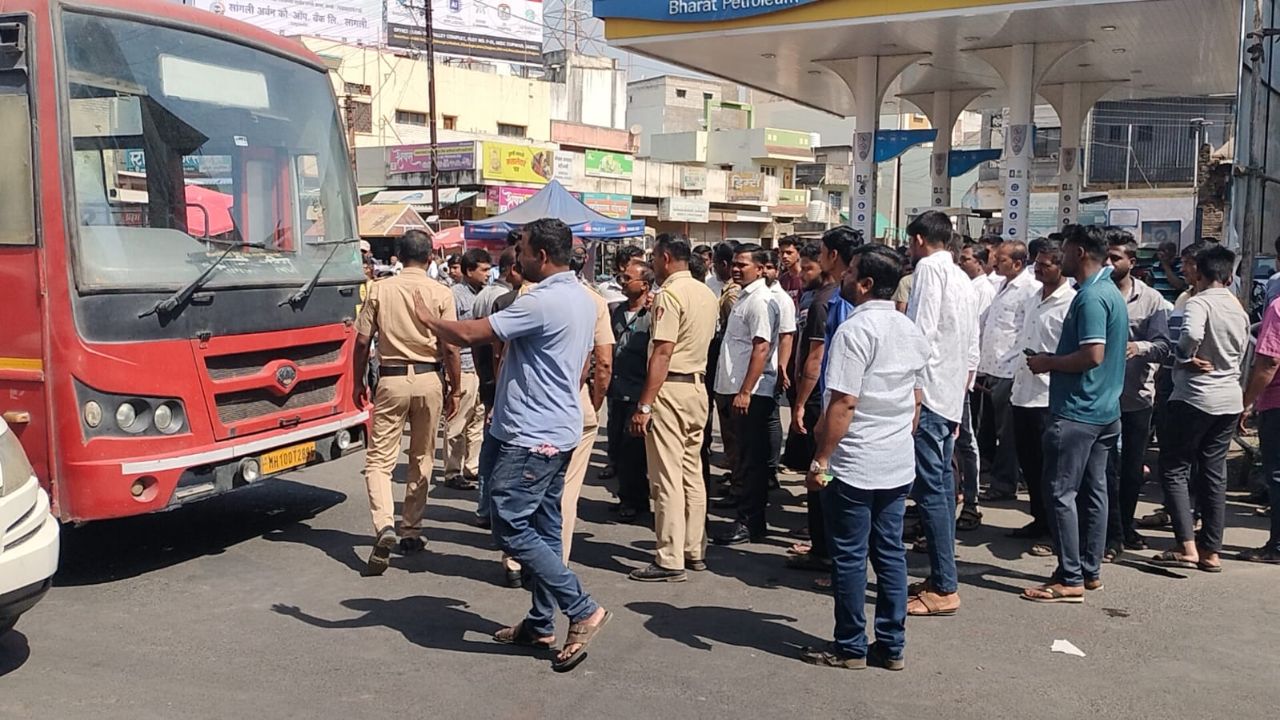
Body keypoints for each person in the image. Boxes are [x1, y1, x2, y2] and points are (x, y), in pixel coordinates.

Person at [411, 218, 611, 673]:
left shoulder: (542, 301)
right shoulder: (581, 297)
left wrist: (426, 318)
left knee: (509, 525)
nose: (514, 260)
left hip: (531, 434)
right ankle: (540, 623)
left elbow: (469, 334)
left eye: (520, 251)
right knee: (542, 528)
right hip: (550, 429)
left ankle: (581, 608)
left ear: (541, 255)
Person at [801, 244, 928, 671]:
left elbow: (844, 403)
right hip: (895, 459)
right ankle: (891, 645)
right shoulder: (908, 328)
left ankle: (851, 645)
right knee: (889, 552)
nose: (845, 277)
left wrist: (821, 460)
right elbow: (915, 399)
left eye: (851, 271)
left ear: (866, 283)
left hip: (855, 462)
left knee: (852, 556)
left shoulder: (855, 331)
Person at [1022, 225, 1127, 603]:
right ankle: (1088, 569)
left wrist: (1047, 362)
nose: (1059, 257)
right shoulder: (1106, 292)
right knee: (1093, 491)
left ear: (1079, 252)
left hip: (1079, 411)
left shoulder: (1092, 297)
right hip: (1103, 410)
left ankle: (1071, 577)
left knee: (1061, 492)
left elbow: (1092, 355)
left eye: (1064, 251)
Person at [352, 229, 461, 575]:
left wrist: (357, 381)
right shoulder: (441, 292)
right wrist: (454, 388)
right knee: (423, 456)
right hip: (430, 378)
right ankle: (411, 529)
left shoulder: (380, 289)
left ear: (399, 255)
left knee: (379, 461)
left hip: (392, 377)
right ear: (430, 257)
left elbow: (361, 341)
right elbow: (451, 347)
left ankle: (384, 523)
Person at [1150, 245, 1248, 573]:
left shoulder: (1199, 302)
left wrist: (1184, 357)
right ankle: (1211, 550)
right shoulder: (1239, 308)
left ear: (1201, 274)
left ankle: (1185, 544)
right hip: (1229, 398)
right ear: (1230, 276)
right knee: (1213, 473)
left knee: (1175, 467)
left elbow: (1190, 333)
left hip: (1195, 396)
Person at [902, 211, 979, 617]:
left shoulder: (930, 270)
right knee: (941, 487)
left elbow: (920, 331)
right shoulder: (963, 279)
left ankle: (945, 584)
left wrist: (912, 390)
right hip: (949, 394)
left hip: (930, 394)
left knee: (932, 489)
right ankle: (941, 577)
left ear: (917, 240)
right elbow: (971, 344)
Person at [628, 236, 718, 581]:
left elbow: (662, 352)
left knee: (666, 476)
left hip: (671, 388)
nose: (652, 265)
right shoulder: (705, 292)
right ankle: (694, 548)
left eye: (653, 258)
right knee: (691, 472)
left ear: (666, 258)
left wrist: (645, 405)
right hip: (697, 387)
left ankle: (669, 557)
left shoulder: (670, 294)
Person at [1103, 231, 1172, 556]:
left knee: (1130, 470)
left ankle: (1125, 527)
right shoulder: (1092, 293)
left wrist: (1138, 346)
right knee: (1103, 469)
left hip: (1135, 399)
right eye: (1106, 256)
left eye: (1116, 257)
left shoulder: (1152, 300)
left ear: (1132, 262)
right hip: (1100, 399)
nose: (1109, 263)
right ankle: (1109, 533)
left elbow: (1163, 346)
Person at [1007, 240, 1076, 555]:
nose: (1038, 268)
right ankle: (1038, 518)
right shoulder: (1034, 297)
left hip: (1049, 396)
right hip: (1024, 392)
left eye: (1045, 264)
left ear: (1061, 267)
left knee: (1051, 470)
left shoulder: (1071, 302)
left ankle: (1052, 531)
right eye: (1037, 262)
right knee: (1031, 465)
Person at [786, 236, 848, 574]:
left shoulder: (829, 301)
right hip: (823, 395)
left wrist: (800, 402)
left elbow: (816, 356)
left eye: (814, 261)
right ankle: (820, 544)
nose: (803, 270)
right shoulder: (825, 297)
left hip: (821, 397)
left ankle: (825, 551)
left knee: (820, 472)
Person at [712, 244, 781, 545]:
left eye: (744, 264)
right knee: (742, 457)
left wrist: (745, 390)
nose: (737, 268)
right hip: (734, 388)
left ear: (762, 268)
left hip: (750, 392)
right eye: (735, 264)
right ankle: (750, 518)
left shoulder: (761, 301)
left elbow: (762, 347)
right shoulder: (743, 295)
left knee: (752, 460)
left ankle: (750, 521)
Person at [975, 240, 1040, 502]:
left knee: (1008, 432)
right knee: (993, 428)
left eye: (1000, 260)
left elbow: (1026, 331)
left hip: (1010, 369)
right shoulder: (1000, 285)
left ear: (1017, 263)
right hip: (992, 367)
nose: (994, 263)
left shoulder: (1029, 290)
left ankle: (1005, 483)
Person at [472, 245, 524, 528]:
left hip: (490, 383)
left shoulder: (489, 297)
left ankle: (485, 507)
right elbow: (494, 352)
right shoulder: (505, 301)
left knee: (490, 451)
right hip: (502, 386)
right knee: (501, 452)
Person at [607, 262, 655, 523]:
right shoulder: (617, 311)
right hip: (617, 390)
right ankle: (626, 496)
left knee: (634, 452)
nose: (622, 282)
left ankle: (637, 501)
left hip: (638, 391)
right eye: (621, 277)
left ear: (645, 285)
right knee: (617, 448)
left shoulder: (652, 314)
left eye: (628, 278)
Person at [955, 242, 997, 530]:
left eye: (967, 260)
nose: (962, 263)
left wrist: (971, 377)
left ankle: (972, 500)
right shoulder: (964, 287)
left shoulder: (981, 291)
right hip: (956, 374)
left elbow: (974, 334)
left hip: (966, 376)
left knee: (967, 441)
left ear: (980, 263)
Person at [443, 248, 493, 491]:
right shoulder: (454, 296)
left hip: (480, 367)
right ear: (468, 270)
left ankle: (471, 467)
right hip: (462, 367)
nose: (488, 274)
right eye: (483, 269)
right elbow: (449, 337)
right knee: (457, 422)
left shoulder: (485, 295)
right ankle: (452, 471)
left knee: (477, 420)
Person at [1239, 288, 1280, 564]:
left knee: (1277, 474)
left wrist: (1246, 402)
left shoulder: (1278, 308)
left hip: (1277, 404)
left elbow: (1268, 362)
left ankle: (1277, 546)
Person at [764, 250, 798, 478]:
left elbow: (787, 335)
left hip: (771, 367)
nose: (765, 271)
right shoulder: (752, 295)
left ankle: (770, 469)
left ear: (776, 271)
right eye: (762, 266)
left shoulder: (781, 298)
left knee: (771, 419)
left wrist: (782, 368)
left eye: (769, 267)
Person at [777, 235, 804, 308]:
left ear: (798, 254)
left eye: (789, 253)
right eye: (782, 253)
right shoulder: (782, 280)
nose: (784, 256)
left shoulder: (805, 278)